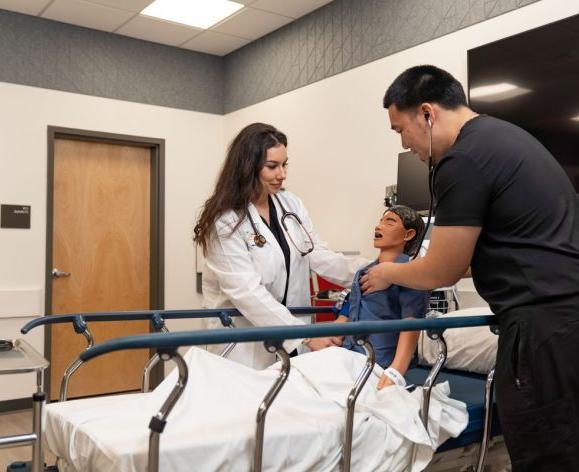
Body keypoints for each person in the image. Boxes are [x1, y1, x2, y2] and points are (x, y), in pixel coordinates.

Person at [361, 65, 579, 471]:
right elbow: (484, 252)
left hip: (543, 330)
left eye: (400, 130)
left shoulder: (463, 159)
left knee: (546, 453)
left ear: (427, 114)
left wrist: (389, 272)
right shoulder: (505, 138)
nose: (407, 145)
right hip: (563, 322)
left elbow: (441, 271)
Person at [194, 122, 367, 369]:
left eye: (285, 164)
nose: (282, 174)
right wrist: (304, 335)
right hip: (244, 344)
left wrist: (371, 269)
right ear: (248, 167)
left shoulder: (290, 205)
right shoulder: (225, 220)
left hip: (292, 339)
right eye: (272, 166)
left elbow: (317, 255)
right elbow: (246, 291)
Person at [333, 205, 430, 390]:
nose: (379, 226)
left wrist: (397, 369)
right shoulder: (363, 272)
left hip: (379, 361)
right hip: (348, 354)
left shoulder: (411, 273)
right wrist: (322, 338)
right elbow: (347, 314)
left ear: (408, 235)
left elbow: (411, 324)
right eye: (380, 221)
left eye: (389, 222)